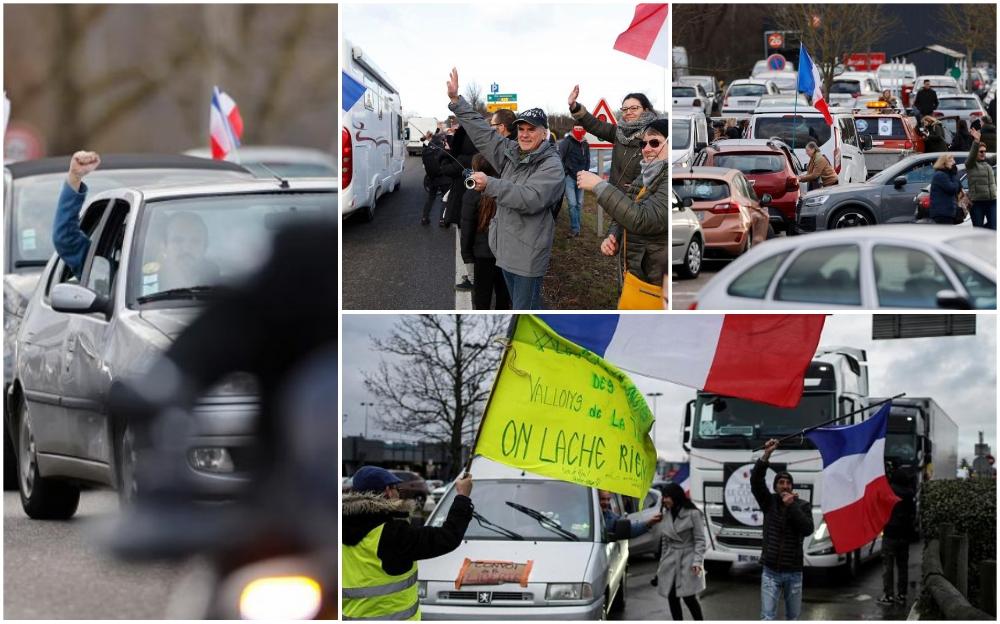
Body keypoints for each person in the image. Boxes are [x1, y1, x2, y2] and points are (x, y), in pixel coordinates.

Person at [447, 68, 564, 310]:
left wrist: (490, 184)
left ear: (544, 134)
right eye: (521, 129)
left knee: (527, 313)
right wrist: (457, 102)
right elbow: (483, 133)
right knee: (517, 308)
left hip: (528, 257)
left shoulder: (552, 165)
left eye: (531, 130)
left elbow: (530, 198)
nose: (524, 134)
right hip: (505, 252)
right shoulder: (511, 153)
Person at [54, 151, 218, 290]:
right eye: (178, 240)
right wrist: (75, 178)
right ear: (164, 244)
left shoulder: (226, 287)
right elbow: (66, 239)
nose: (186, 249)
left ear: (206, 246)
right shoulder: (128, 279)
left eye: (195, 241)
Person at [343, 466, 474, 620]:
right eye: (396, 488)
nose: (399, 493)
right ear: (388, 491)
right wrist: (463, 497)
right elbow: (447, 537)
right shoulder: (392, 534)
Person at [577, 119, 668, 307]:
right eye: (643, 143)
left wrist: (599, 186)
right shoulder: (645, 175)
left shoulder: (668, 177)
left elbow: (643, 219)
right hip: (634, 278)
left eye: (655, 142)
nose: (647, 148)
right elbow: (627, 208)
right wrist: (613, 236)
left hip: (654, 284)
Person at [568, 86, 657, 264]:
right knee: (620, 248)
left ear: (646, 110)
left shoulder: (654, 139)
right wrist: (575, 106)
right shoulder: (619, 133)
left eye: (634, 108)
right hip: (618, 200)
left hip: (642, 204)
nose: (628, 112)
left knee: (635, 250)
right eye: (625, 109)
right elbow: (595, 125)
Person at [751, 439, 815, 621]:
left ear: (792, 487)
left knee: (792, 617)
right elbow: (756, 481)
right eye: (781, 482)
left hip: (794, 573)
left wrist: (792, 506)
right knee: (767, 616)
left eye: (788, 483)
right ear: (776, 487)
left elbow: (808, 529)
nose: (785, 485)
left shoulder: (802, 506)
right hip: (770, 572)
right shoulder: (768, 503)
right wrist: (766, 455)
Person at [460, 154, 512, 309]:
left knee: (482, 299)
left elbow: (467, 229)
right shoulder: (507, 190)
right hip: (506, 254)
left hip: (483, 256)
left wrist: (467, 256)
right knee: (504, 298)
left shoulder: (471, 194)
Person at [654, 483, 706, 621]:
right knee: (672, 596)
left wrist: (697, 562)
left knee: (689, 597)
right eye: (663, 497)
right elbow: (665, 542)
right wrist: (661, 566)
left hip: (688, 560)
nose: (664, 500)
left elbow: (700, 540)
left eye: (667, 497)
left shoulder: (693, 513)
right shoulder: (666, 513)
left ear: (675, 496)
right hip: (670, 561)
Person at [877, 467, 915, 606]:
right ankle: (902, 594)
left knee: (888, 565)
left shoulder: (889, 491)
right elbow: (913, 515)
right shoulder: (910, 495)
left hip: (890, 534)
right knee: (903, 566)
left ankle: (888, 595)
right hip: (904, 535)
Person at [558, 125, 591, 238]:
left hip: (581, 177)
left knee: (579, 203)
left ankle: (577, 227)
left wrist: (585, 173)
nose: (579, 132)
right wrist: (565, 171)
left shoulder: (585, 143)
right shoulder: (566, 142)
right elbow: (559, 157)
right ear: (573, 129)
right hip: (569, 178)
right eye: (577, 129)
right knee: (572, 204)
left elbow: (587, 159)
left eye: (581, 130)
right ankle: (575, 229)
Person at [966, 128, 997, 229]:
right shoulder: (970, 164)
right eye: (981, 151)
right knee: (978, 228)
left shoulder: (987, 163)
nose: (983, 153)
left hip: (992, 201)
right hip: (977, 202)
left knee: (994, 227)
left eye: (985, 151)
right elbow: (971, 155)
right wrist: (976, 141)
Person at [421, 132, 451, 226]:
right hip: (444, 178)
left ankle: (424, 218)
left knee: (430, 198)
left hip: (432, 178)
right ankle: (442, 220)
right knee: (445, 198)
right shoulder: (442, 149)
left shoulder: (426, 150)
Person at [929, 153, 961, 224]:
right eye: (951, 161)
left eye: (954, 161)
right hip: (942, 213)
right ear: (944, 163)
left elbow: (958, 189)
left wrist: (953, 174)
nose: (954, 163)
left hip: (947, 212)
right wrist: (954, 174)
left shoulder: (947, 174)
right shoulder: (940, 175)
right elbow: (952, 189)